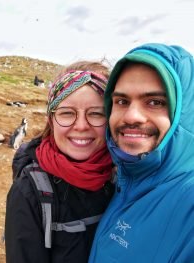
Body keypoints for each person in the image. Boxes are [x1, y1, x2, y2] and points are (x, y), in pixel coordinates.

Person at [88, 43, 194, 263]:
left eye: (155, 102)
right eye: (122, 101)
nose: (132, 116)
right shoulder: (123, 181)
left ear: (184, 114)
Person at [5, 61, 114, 263]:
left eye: (96, 113)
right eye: (67, 113)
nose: (81, 126)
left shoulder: (124, 178)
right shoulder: (29, 192)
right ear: (51, 119)